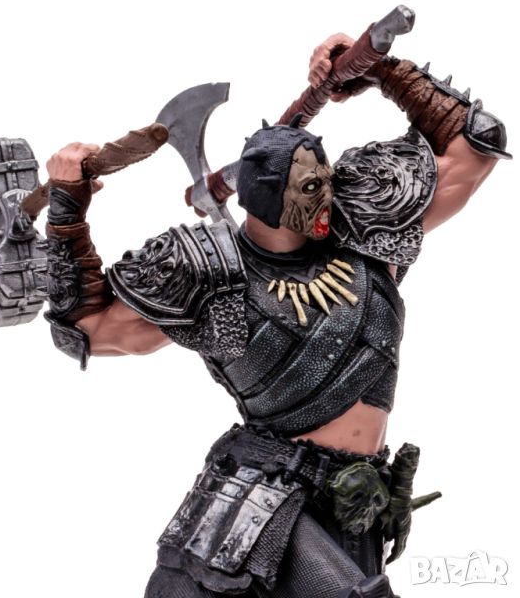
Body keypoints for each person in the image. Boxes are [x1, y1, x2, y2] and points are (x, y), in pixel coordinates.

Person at [43, 32, 509, 598]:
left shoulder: (363, 226)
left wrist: (378, 69)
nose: (326, 200)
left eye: (325, 183)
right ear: (265, 200)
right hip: (264, 503)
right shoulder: (211, 275)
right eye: (309, 189)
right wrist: (67, 208)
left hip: (356, 502)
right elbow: (88, 331)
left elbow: (477, 145)